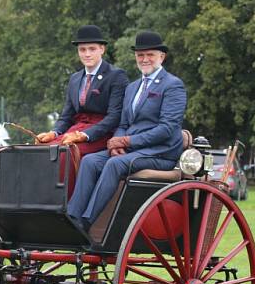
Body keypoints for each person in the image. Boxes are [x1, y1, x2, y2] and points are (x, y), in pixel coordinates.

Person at [67, 30, 186, 229]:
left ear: (161, 57)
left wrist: (127, 142)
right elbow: (123, 124)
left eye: (150, 55)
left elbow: (167, 129)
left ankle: (86, 223)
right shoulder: (133, 87)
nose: (145, 59)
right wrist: (115, 144)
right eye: (141, 55)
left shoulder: (173, 85)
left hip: (160, 152)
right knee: (89, 161)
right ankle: (71, 216)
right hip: (132, 150)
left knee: (115, 165)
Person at [36, 25, 129, 156]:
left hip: (101, 134)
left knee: (65, 153)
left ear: (102, 49)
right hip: (75, 130)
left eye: (92, 49)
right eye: (82, 49)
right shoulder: (75, 78)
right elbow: (67, 116)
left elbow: (115, 117)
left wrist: (85, 135)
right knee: (41, 149)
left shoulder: (116, 76)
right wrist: (54, 132)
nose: (87, 54)